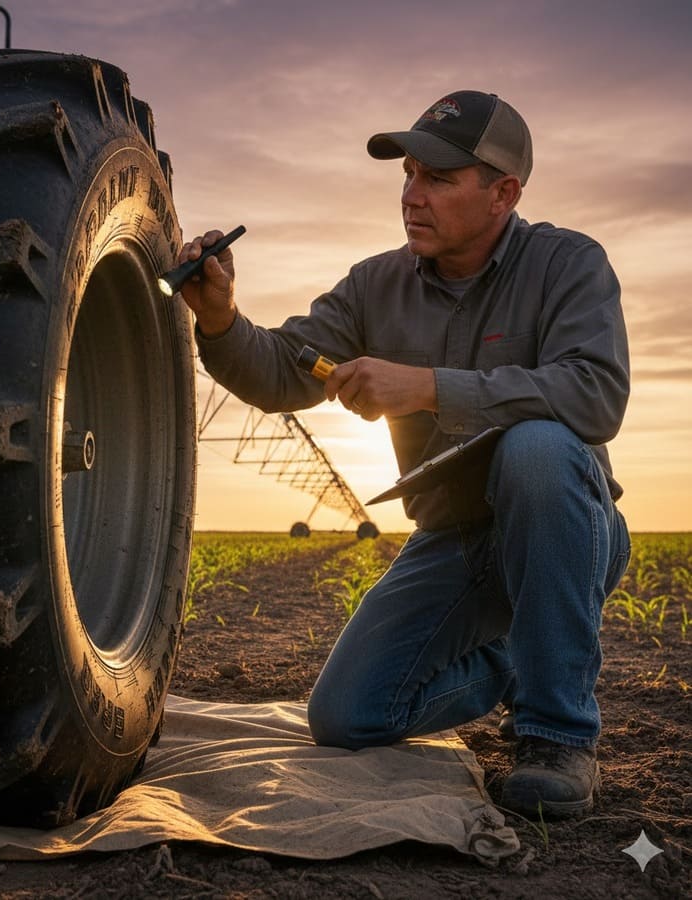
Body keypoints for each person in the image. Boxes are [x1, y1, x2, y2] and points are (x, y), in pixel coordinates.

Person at [177, 90, 631, 819]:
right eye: (408, 175)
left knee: (538, 449)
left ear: (503, 193)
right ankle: (522, 656)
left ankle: (556, 735)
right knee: (347, 718)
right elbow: (280, 371)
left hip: (563, 525)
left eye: (439, 179)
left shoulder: (567, 265)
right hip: (454, 538)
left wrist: (427, 388)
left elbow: (594, 394)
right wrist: (222, 318)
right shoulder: (374, 286)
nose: (412, 197)